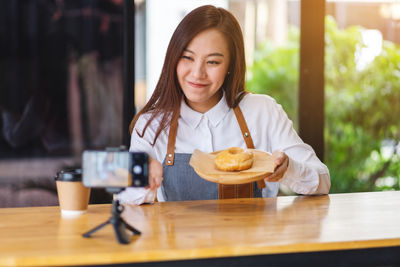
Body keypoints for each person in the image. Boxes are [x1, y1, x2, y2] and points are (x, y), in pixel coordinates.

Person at [118, 5, 330, 204]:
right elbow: (123, 199)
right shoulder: (152, 125)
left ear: (230, 65)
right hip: (181, 244)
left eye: (212, 62)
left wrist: (288, 169)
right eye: (187, 57)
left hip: (253, 243)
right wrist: (141, 172)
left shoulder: (262, 111)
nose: (197, 73)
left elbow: (322, 180)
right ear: (173, 59)